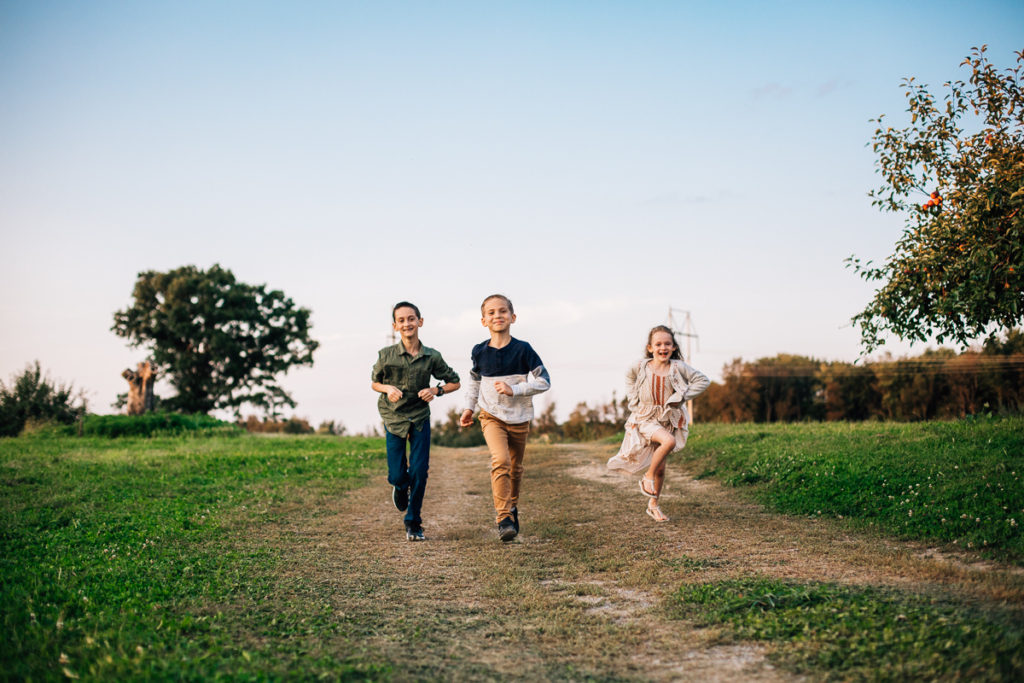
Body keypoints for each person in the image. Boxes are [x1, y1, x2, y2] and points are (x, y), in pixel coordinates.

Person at [459, 294, 550, 542]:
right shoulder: (479, 351)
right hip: (491, 416)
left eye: (502, 311)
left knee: (516, 468)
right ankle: (503, 519)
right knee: (500, 461)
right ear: (483, 320)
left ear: (513, 317)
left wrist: (515, 389)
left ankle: (512, 506)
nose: (497, 316)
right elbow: (474, 382)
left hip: (519, 418)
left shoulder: (524, 349)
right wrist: (468, 407)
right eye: (491, 313)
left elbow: (544, 382)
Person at [371, 301, 461, 541]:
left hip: (420, 417)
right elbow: (374, 382)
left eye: (411, 319)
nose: (407, 323)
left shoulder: (432, 356)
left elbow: (455, 382)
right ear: (395, 326)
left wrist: (436, 391)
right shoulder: (386, 355)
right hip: (394, 417)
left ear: (420, 322)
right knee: (398, 474)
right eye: (401, 320)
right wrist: (387, 388)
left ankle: (413, 523)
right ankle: (400, 487)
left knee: (420, 471)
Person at [607, 325, 710, 522]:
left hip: (667, 419)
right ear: (650, 348)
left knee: (661, 469)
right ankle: (647, 477)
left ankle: (653, 505)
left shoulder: (678, 367)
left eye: (667, 344)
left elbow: (702, 381)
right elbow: (629, 377)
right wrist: (633, 400)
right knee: (669, 442)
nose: (663, 348)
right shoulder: (640, 367)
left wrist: (682, 396)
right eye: (658, 344)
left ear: (673, 347)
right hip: (645, 418)